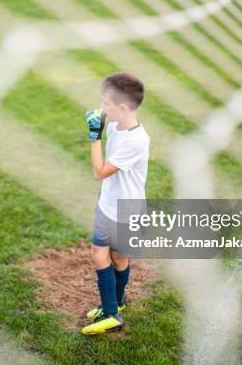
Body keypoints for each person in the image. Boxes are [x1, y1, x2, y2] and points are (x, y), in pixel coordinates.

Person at [81, 72, 150, 335]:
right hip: (109, 204)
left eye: (106, 104)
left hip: (126, 210)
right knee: (109, 256)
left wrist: (93, 136)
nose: (102, 108)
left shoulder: (136, 140)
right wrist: (102, 125)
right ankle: (115, 305)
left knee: (113, 257)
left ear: (122, 108)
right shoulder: (115, 125)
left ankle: (111, 314)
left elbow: (99, 171)